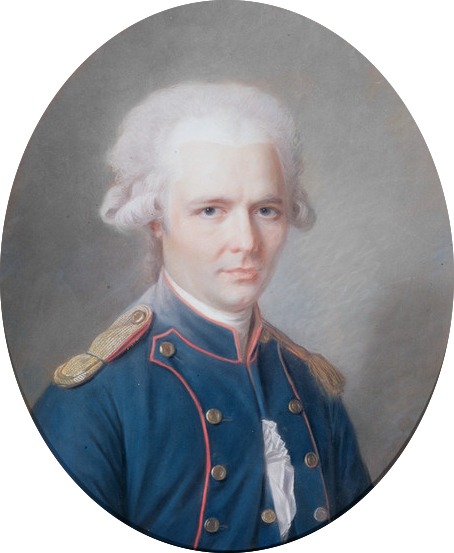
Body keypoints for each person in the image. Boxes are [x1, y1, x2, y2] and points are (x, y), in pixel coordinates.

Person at [34, 81, 371, 551]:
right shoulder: (94, 400)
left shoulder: (311, 385)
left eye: (266, 210)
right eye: (211, 210)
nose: (246, 242)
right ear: (157, 219)